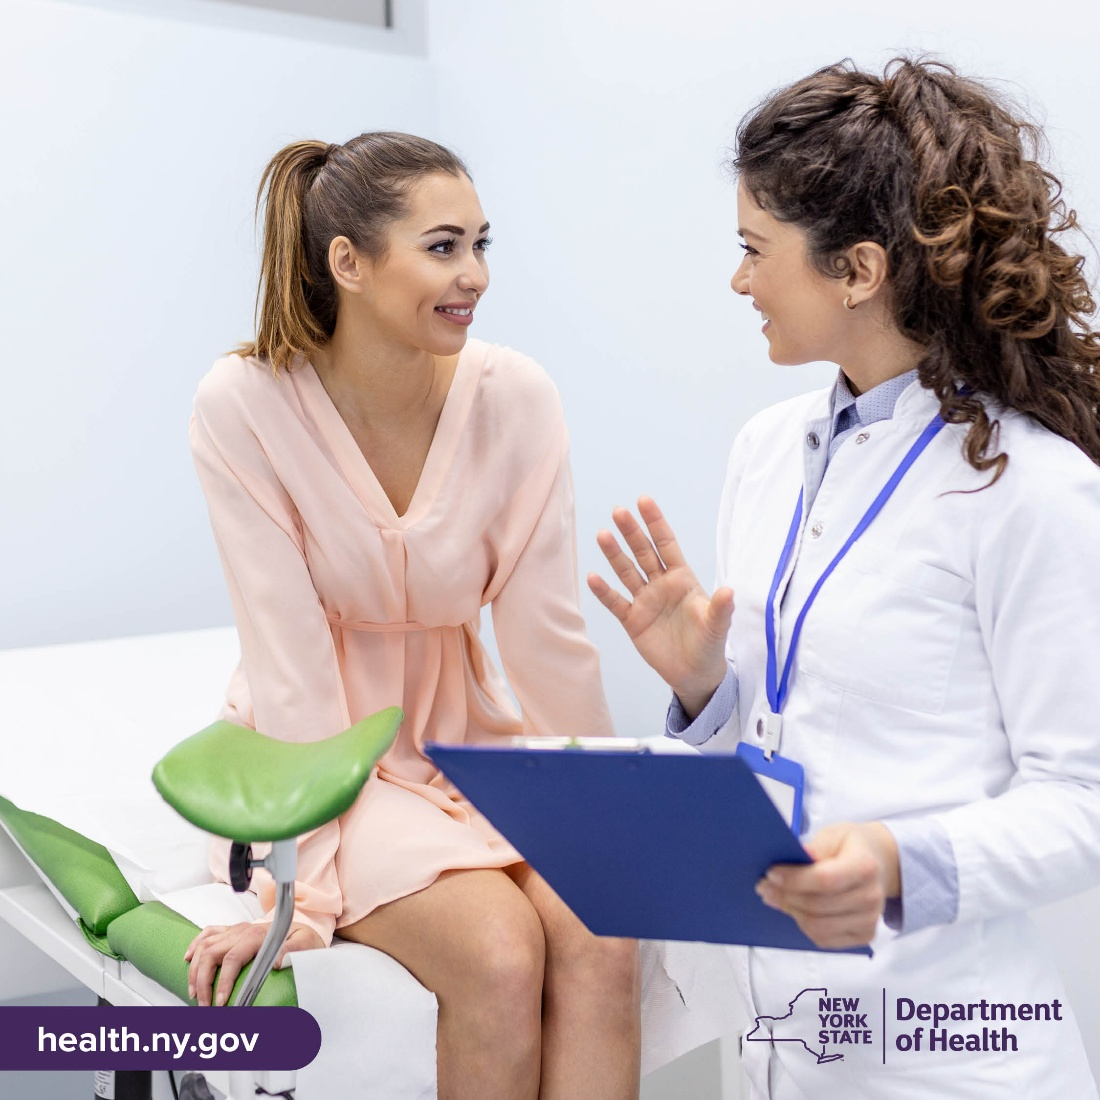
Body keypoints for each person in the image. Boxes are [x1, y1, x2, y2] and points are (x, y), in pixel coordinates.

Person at [589, 57, 1100, 1098]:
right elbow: (793, 736)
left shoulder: (1032, 489)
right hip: (783, 1043)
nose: (737, 280)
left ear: (858, 269)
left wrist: (897, 861)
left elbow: (1082, 800)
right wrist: (705, 689)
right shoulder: (765, 450)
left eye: (751, 249)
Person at [185, 132, 640, 1100]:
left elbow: (545, 633)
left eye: (481, 244)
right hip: (335, 760)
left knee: (606, 927)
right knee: (499, 951)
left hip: (472, 741)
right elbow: (290, 663)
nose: (472, 275)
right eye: (441, 247)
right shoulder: (245, 405)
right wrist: (296, 899)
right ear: (347, 262)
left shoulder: (513, 395)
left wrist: (607, 813)